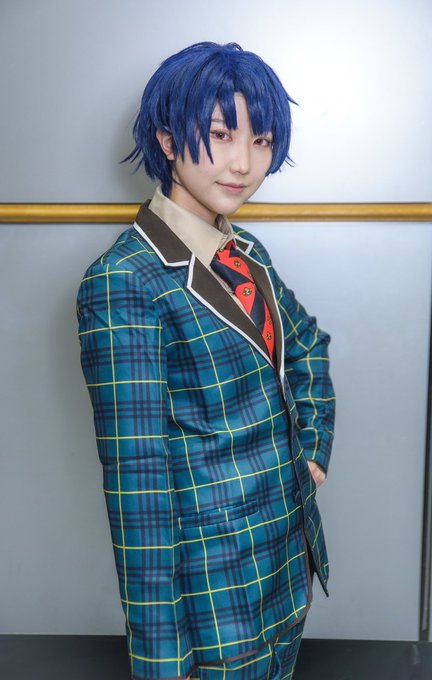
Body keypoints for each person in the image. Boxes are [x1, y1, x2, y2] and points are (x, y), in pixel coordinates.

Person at [76, 41, 335, 680]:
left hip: (286, 568)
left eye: (261, 141)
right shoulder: (124, 281)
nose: (243, 164)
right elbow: (138, 492)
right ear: (167, 141)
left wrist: (311, 451)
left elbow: (306, 344)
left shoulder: (247, 251)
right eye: (220, 136)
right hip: (212, 606)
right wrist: (162, 664)